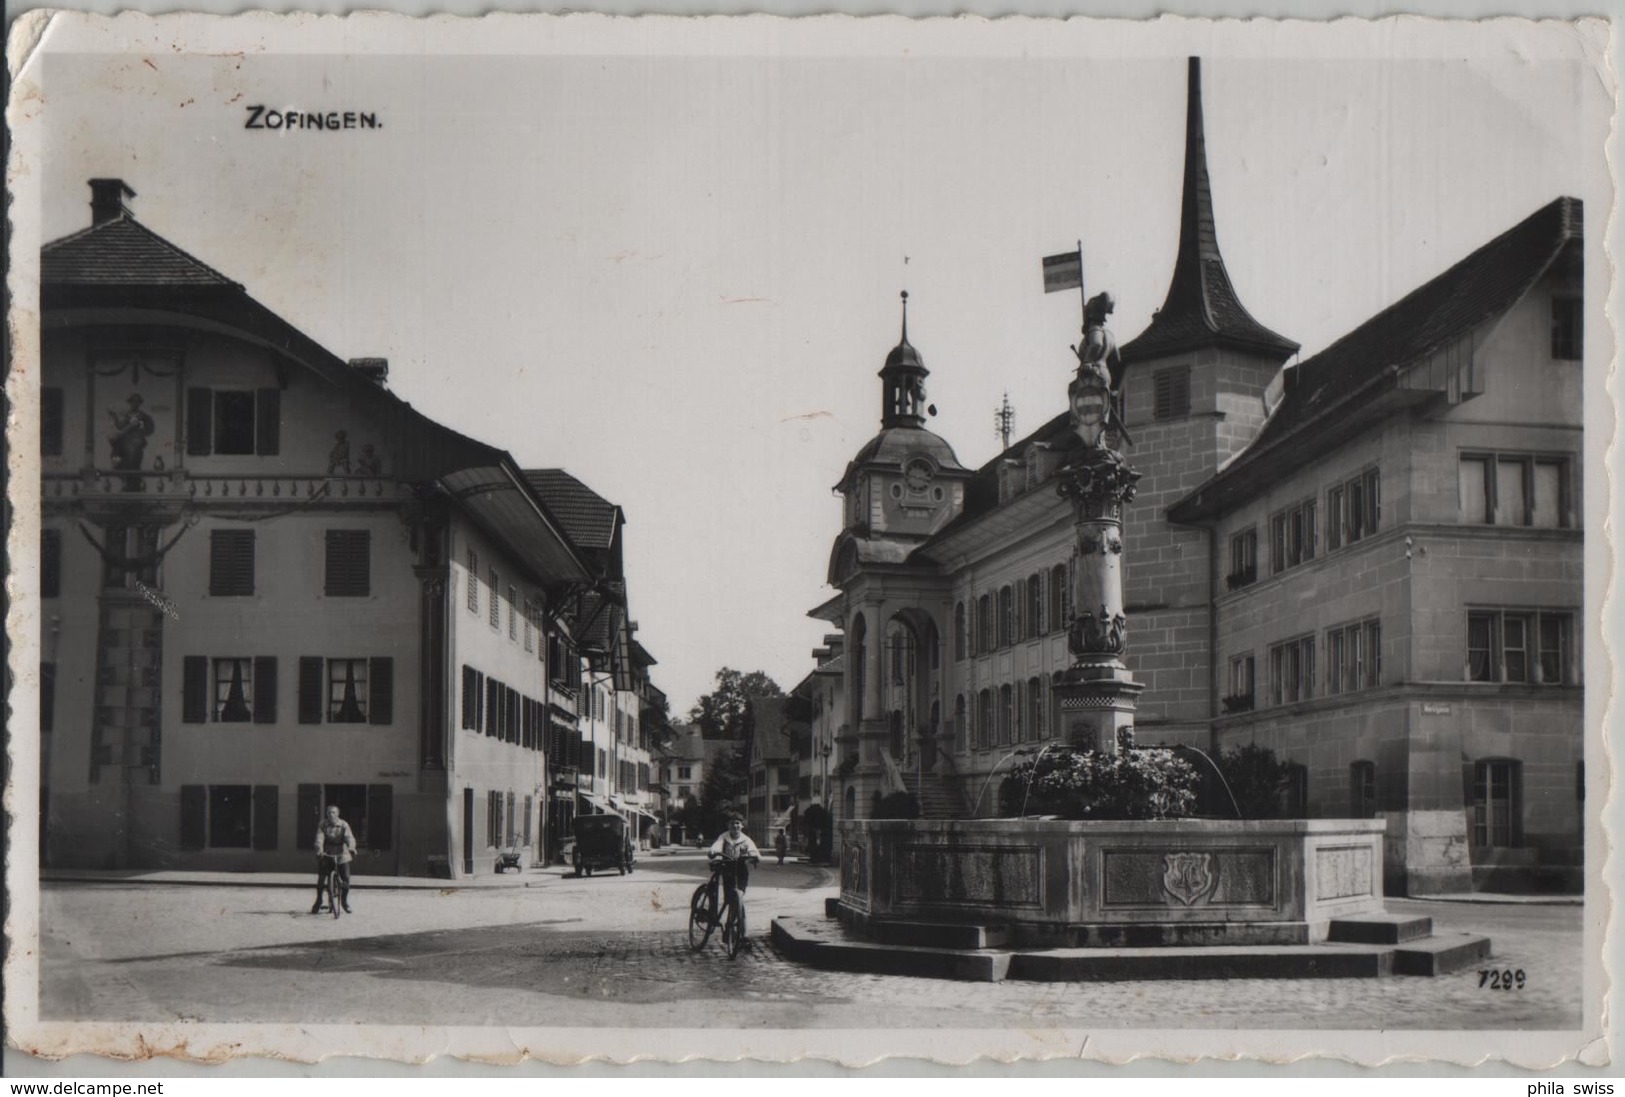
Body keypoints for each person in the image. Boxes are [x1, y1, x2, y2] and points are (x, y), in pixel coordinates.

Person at [704, 815, 761, 924]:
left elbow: (754, 851)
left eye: (738, 823)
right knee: (728, 897)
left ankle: (735, 925)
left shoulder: (746, 839)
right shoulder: (724, 837)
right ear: (728, 825)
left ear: (742, 826)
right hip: (728, 868)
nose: (735, 826)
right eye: (732, 823)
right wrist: (713, 851)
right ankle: (715, 916)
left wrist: (753, 855)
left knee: (739, 897)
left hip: (741, 870)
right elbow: (716, 846)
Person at [311, 804, 357, 914]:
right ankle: (319, 900)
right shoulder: (323, 824)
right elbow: (319, 838)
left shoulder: (343, 825)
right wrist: (319, 850)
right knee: (321, 878)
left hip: (342, 853)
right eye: (329, 812)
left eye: (333, 812)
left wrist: (351, 848)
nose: (331, 814)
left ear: (338, 814)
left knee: (346, 878)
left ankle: (344, 902)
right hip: (327, 853)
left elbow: (349, 837)